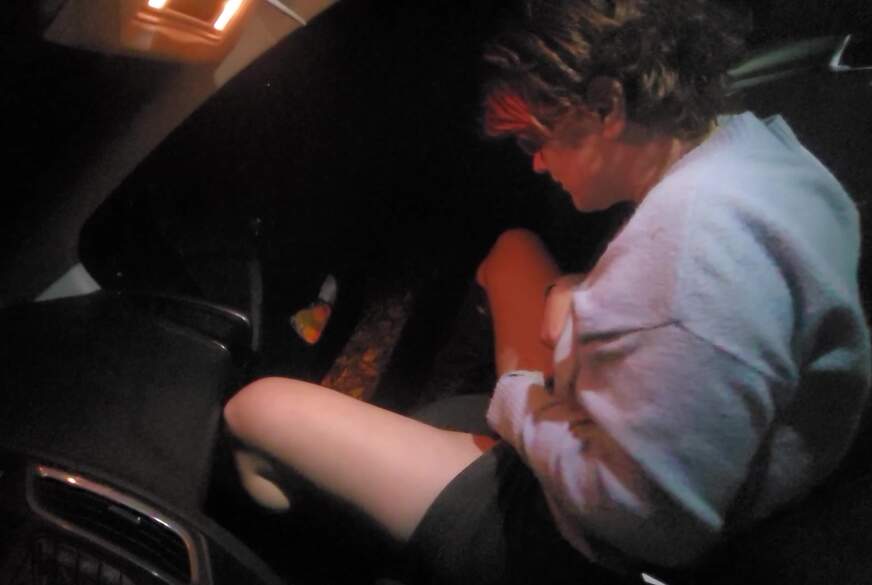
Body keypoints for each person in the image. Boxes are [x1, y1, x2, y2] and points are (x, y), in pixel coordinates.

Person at [223, 1, 871, 583]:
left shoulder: (697, 254)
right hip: (646, 436)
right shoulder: (753, 153)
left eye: (537, 140)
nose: (534, 163)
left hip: (586, 544)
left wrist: (520, 400)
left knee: (256, 410)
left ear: (607, 105)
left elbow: (653, 525)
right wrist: (585, 294)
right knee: (514, 251)